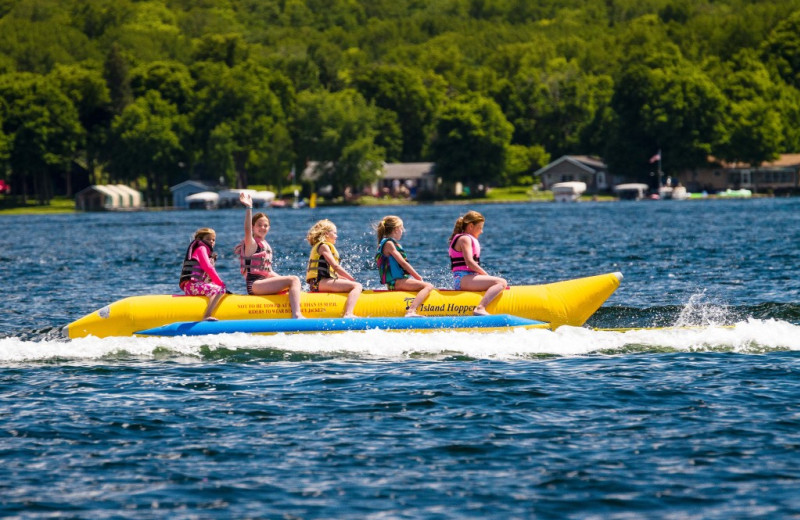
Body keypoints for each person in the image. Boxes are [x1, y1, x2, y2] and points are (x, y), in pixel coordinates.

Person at [235, 192, 304, 319]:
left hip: (263, 282)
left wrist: (287, 282)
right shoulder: (252, 243)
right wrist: (249, 208)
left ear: (269, 227)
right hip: (255, 285)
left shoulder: (265, 245)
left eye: (265, 225)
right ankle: (297, 314)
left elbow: (269, 272)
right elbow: (246, 230)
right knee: (294, 279)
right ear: (253, 227)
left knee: (293, 281)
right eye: (259, 225)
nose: (263, 227)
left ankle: (294, 303)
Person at [448, 210, 508, 316]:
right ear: (471, 226)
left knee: (498, 282)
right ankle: (480, 308)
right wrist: (485, 275)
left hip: (468, 278)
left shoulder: (466, 238)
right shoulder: (464, 239)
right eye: (480, 228)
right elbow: (470, 262)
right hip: (463, 279)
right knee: (501, 282)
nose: (482, 231)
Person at [375, 215, 434, 317]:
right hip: (397, 282)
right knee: (428, 286)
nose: (402, 231)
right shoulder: (389, 244)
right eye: (401, 228)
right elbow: (403, 263)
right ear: (396, 229)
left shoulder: (384, 243)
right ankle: (411, 311)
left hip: (394, 282)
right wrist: (418, 277)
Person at [305, 219, 362, 318]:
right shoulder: (324, 247)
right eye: (334, 233)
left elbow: (330, 271)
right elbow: (336, 266)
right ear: (327, 234)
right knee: (356, 286)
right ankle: (348, 314)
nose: (337, 236)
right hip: (320, 283)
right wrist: (352, 279)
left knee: (346, 282)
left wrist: (340, 277)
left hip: (317, 283)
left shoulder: (321, 246)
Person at [179, 227, 227, 321]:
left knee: (218, 287)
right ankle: (206, 315)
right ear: (200, 240)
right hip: (192, 286)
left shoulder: (206, 252)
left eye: (213, 240)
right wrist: (220, 283)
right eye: (208, 239)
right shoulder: (201, 249)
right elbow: (208, 267)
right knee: (220, 290)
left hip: (193, 286)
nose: (211, 242)